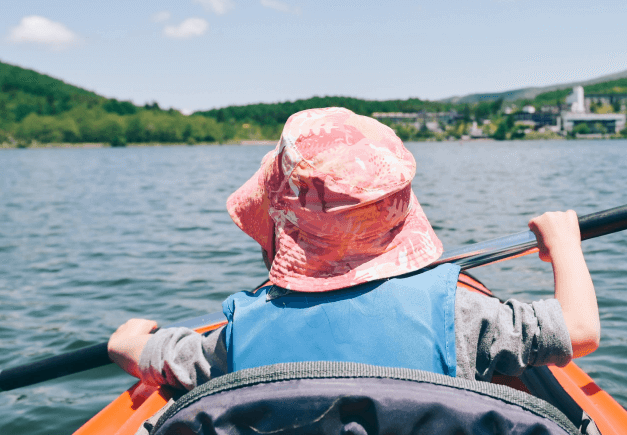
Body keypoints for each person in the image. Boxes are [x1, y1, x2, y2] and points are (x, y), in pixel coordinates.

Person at [108, 107, 600, 390]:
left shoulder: (239, 337)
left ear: (282, 226)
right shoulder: (462, 317)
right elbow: (578, 331)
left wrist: (132, 339)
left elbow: (147, 353)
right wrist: (565, 244)